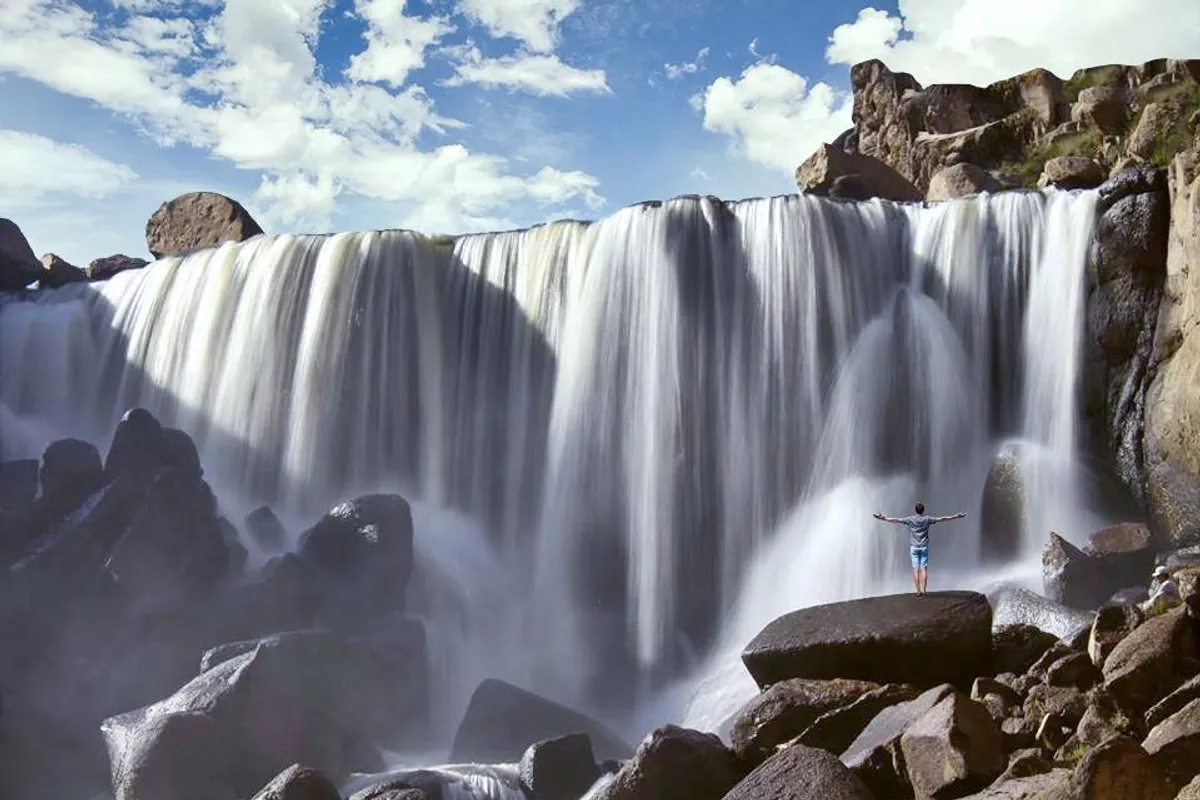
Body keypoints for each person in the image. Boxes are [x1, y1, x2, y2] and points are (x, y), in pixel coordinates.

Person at [872, 503, 967, 595]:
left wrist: (883, 518)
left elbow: (896, 520)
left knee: (915, 569)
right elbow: (942, 519)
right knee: (924, 569)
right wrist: (956, 516)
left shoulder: (910, 519)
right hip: (924, 546)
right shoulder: (927, 519)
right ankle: (923, 591)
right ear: (923, 510)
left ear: (915, 510)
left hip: (914, 547)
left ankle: (918, 591)